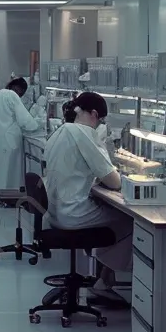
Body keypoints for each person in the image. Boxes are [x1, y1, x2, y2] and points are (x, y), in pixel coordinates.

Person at [42, 91, 133, 290]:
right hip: (73, 212)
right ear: (93, 114)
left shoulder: (60, 131)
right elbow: (114, 181)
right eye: (100, 121)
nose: (99, 126)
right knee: (131, 221)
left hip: (55, 212)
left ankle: (105, 278)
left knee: (115, 216)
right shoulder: (83, 133)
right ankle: (105, 281)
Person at [0, 77, 42, 198]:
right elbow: (24, 119)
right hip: (9, 140)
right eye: (22, 92)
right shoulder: (11, 95)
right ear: (18, 89)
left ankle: (4, 194)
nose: (21, 95)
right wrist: (36, 124)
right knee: (10, 170)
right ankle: (10, 196)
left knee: (1, 169)